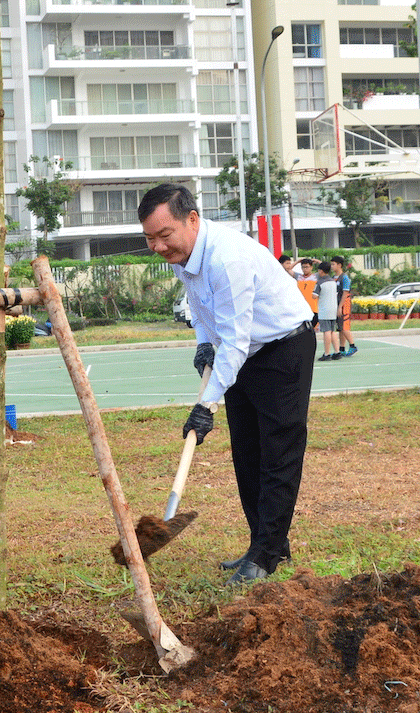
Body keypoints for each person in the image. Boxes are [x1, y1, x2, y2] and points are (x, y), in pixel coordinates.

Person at [139, 183, 315, 587]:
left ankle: (267, 555)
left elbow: (236, 339)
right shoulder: (184, 255)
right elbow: (199, 304)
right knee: (247, 455)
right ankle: (265, 544)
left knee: (277, 454)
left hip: (282, 348)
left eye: (164, 235)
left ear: (192, 220)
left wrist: (206, 406)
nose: (158, 247)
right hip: (240, 353)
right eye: (150, 238)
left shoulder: (227, 258)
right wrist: (203, 341)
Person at [315, 262, 342, 361]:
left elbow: (314, 295)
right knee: (332, 331)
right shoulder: (333, 281)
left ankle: (327, 353)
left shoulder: (320, 282)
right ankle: (337, 352)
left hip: (324, 310)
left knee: (326, 331)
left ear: (321, 271)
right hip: (333, 308)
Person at [331, 255, 356, 357]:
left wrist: (340, 307)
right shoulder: (333, 278)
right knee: (340, 328)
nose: (331, 266)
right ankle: (342, 348)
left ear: (339, 265)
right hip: (336, 304)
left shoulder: (344, 278)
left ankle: (353, 346)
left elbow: (345, 294)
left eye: (333, 264)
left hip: (344, 305)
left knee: (344, 327)